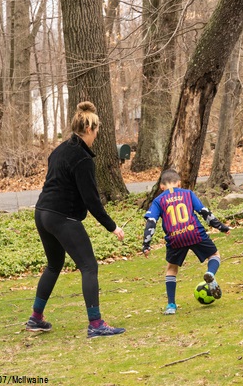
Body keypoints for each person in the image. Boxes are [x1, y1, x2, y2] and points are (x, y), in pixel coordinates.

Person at [26, 101, 126, 338]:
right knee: (89, 266)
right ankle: (96, 324)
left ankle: (36, 318)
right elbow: (92, 201)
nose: (97, 134)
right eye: (97, 129)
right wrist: (112, 227)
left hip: (42, 213)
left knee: (54, 265)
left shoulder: (59, 150)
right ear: (90, 129)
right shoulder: (83, 158)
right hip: (62, 217)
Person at [142, 169, 230, 315]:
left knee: (171, 269)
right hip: (194, 232)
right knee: (214, 255)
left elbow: (151, 222)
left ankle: (171, 305)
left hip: (175, 238)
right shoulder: (188, 194)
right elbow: (204, 211)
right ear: (179, 183)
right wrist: (221, 226)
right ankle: (210, 273)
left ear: (161, 187)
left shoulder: (158, 200)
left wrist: (146, 244)